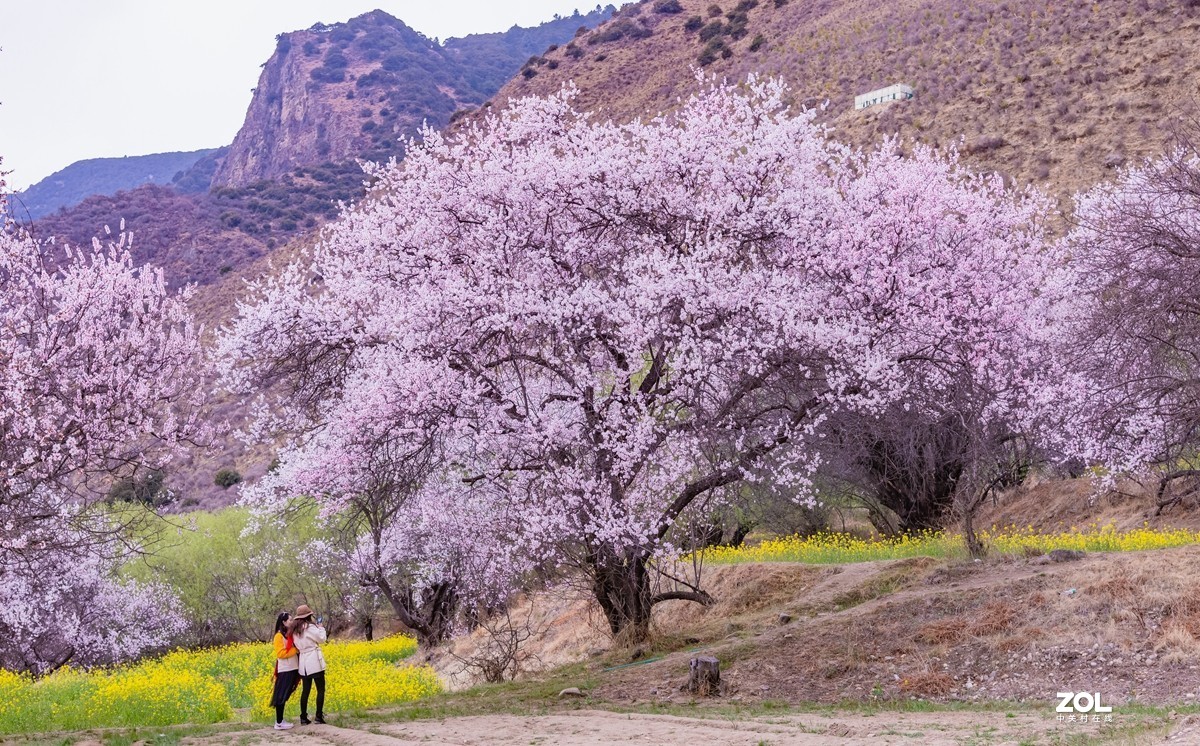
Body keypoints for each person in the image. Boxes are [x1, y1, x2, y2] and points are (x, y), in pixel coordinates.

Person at [289, 604, 327, 725]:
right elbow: (322, 639)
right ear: (309, 616)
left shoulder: (294, 630)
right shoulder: (310, 627)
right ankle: (319, 716)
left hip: (303, 662)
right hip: (314, 660)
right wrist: (321, 627)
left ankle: (303, 717)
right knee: (320, 689)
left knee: (306, 690)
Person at [270, 612, 300, 730]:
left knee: (285, 695)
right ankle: (279, 722)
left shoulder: (289, 635)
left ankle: (280, 720)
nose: (291, 622)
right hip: (285, 670)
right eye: (290, 620)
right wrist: (295, 650)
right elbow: (280, 653)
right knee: (281, 695)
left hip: (292, 668)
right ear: (283, 622)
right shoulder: (279, 636)